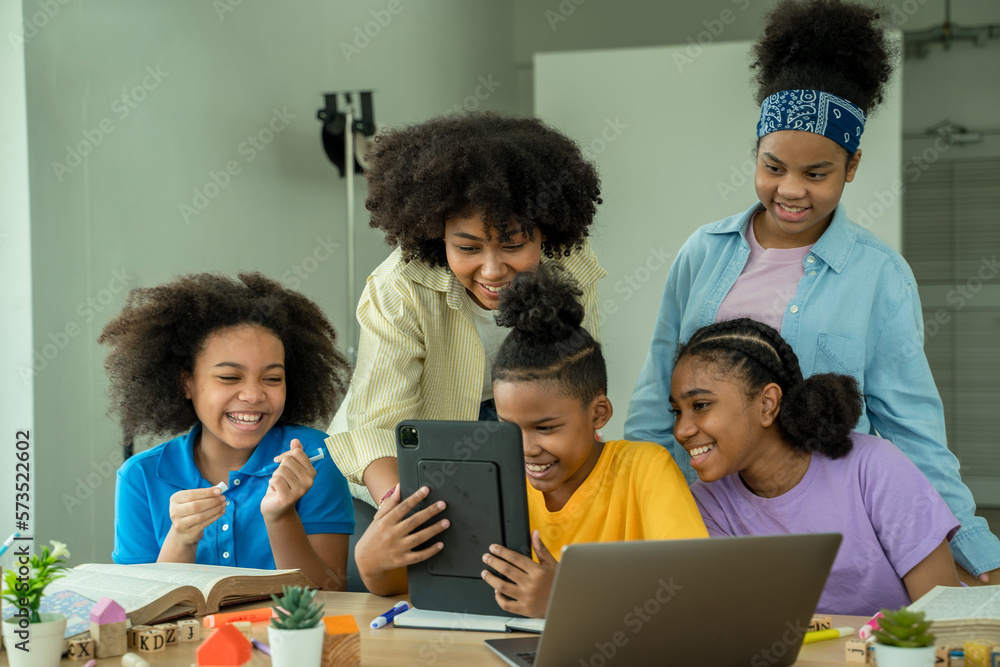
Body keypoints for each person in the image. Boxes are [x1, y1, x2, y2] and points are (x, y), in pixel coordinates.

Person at [625, 0, 1000, 580]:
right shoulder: (702, 253)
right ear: (756, 153)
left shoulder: (879, 275)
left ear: (852, 166)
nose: (791, 190)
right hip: (713, 518)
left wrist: (979, 556)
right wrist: (645, 520)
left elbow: (913, 433)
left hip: (838, 531)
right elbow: (655, 404)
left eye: (816, 173)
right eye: (773, 166)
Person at [356, 265, 707, 616]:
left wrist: (566, 600)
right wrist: (371, 562)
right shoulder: (489, 483)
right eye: (509, 427)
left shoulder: (644, 469)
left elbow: (693, 591)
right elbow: (401, 585)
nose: (525, 448)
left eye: (546, 427)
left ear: (599, 414)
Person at [325, 112, 606, 509]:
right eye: (468, 248)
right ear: (437, 236)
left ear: (546, 231)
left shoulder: (569, 262)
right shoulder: (400, 288)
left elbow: (577, 383)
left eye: (512, 246)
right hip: (401, 451)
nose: (492, 270)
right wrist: (399, 509)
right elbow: (378, 428)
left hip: (513, 429)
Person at [671, 318, 960, 615]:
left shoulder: (874, 467)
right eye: (677, 412)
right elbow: (741, 626)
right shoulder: (706, 504)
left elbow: (946, 620)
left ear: (767, 404)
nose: (681, 430)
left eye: (701, 405)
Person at [102, 272, 355, 589]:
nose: (253, 394)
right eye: (229, 378)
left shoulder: (313, 458)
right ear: (187, 383)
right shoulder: (140, 478)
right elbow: (138, 610)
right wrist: (180, 539)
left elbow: (330, 595)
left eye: (273, 379)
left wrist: (281, 517)